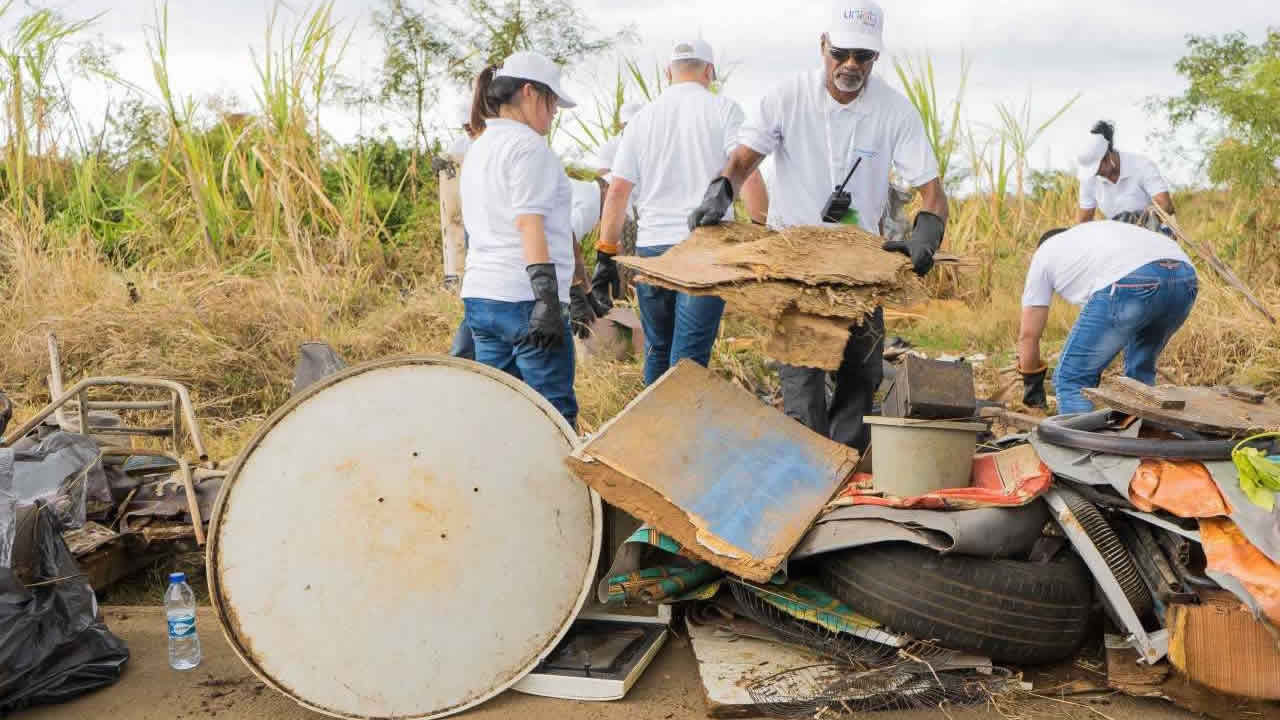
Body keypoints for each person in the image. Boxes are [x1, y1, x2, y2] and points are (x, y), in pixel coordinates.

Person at [688, 0, 947, 451]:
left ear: (875, 57)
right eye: (840, 53)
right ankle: (810, 465)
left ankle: (845, 460)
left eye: (862, 56)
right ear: (823, 45)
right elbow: (743, 161)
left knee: (861, 371)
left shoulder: (894, 111)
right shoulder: (786, 98)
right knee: (802, 376)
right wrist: (721, 191)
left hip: (859, 263)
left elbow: (934, 194)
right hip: (796, 259)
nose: (850, 65)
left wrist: (925, 236)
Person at [592, 37, 743, 385]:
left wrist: (605, 254)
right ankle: (680, 422)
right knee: (689, 358)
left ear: (667, 73)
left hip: (653, 250)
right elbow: (744, 172)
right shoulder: (724, 109)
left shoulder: (642, 119)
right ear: (710, 71)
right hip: (704, 250)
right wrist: (762, 227)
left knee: (658, 348)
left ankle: (652, 420)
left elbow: (617, 191)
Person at [460, 51, 582, 427]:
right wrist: (546, 300)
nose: (555, 112)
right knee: (553, 415)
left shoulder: (479, 147)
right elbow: (529, 223)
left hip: (482, 297)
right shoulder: (529, 147)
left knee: (499, 413)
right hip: (524, 300)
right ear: (529, 92)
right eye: (552, 101)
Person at [1018, 221, 1197, 414]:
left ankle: (1080, 433)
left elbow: (1028, 335)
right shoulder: (1094, 235)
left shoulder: (1043, 254)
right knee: (1139, 375)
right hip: (1185, 277)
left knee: (1072, 379)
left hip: (1130, 279)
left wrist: (1033, 390)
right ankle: (1145, 428)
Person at [1076, 121, 1175, 229]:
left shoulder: (1142, 165)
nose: (1097, 174)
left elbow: (1166, 206)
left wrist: (1140, 225)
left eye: (1098, 170)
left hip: (1153, 231)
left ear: (1107, 155)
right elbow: (1084, 222)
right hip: (1119, 234)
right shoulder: (1089, 179)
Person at [445, 99, 481, 359]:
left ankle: (463, 356)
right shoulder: (462, 146)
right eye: (465, 126)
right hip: (472, 222)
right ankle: (461, 357)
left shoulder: (496, 142)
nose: (469, 130)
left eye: (472, 125)